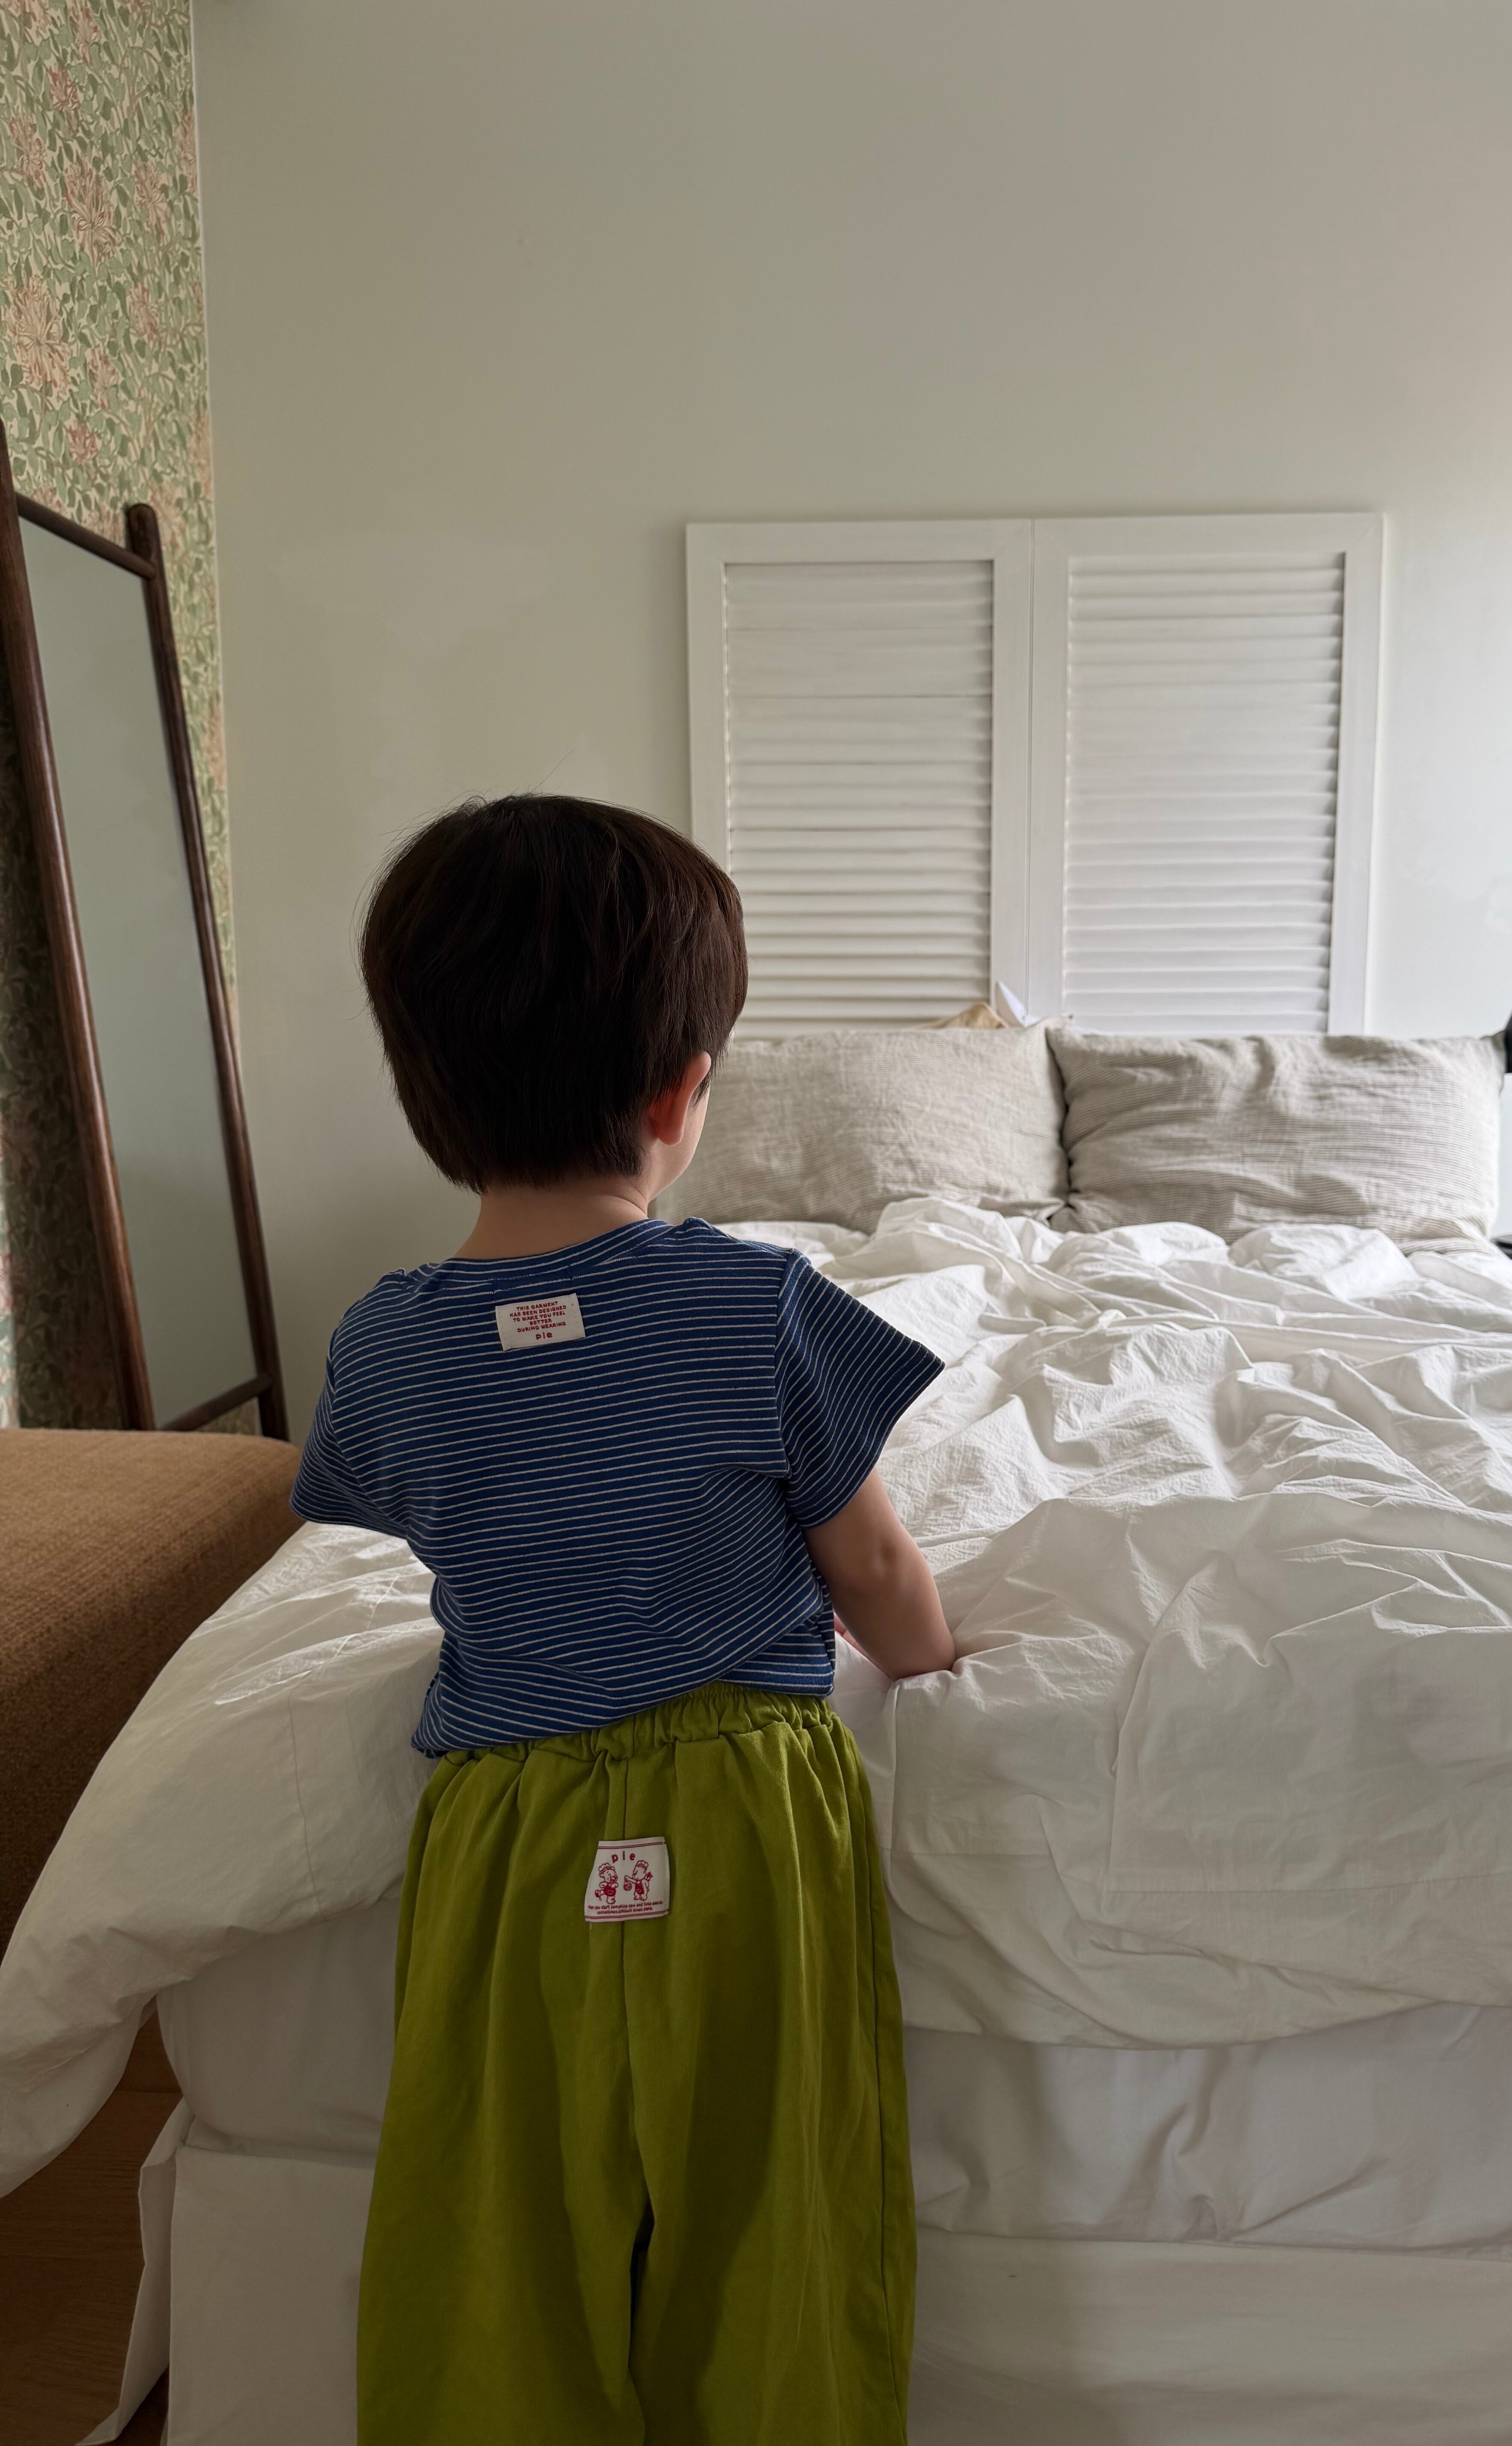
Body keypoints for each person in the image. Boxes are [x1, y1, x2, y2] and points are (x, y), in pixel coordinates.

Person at [290, 795, 954, 2446]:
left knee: (497, 2214)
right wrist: (938, 1665)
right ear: (681, 1095)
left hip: (504, 1825)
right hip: (743, 1812)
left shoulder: (379, 1347)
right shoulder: (756, 1303)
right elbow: (873, 1569)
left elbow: (398, 1514)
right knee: (773, 2198)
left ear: (424, 1096)